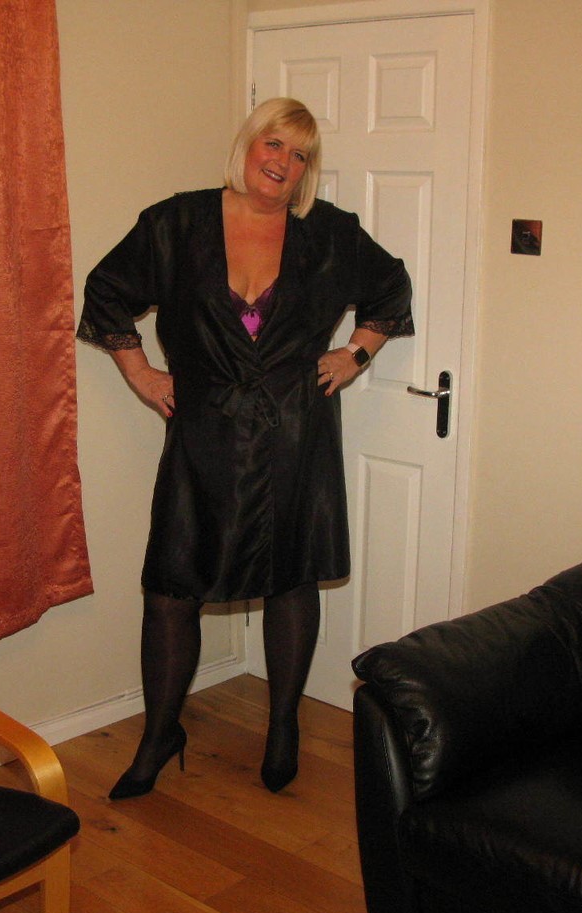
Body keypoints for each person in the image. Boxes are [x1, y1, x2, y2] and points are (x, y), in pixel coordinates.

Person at [77, 97, 413, 799]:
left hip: (295, 432)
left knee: (292, 577)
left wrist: (354, 353)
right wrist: (140, 373)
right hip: (203, 432)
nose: (283, 163)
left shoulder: (329, 234)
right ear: (249, 144)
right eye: (274, 143)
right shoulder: (177, 223)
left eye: (300, 154)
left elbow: (391, 287)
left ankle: (283, 724)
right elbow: (106, 290)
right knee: (172, 587)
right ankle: (160, 733)